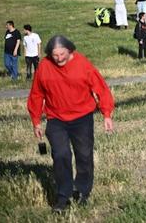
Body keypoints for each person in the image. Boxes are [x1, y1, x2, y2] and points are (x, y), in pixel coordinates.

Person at [27, 35, 115, 212]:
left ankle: (82, 190)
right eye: (55, 55)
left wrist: (107, 114)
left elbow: (101, 88)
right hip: (56, 119)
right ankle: (63, 196)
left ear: (70, 50)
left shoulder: (83, 64)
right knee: (61, 155)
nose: (59, 58)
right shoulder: (44, 66)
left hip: (82, 118)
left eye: (62, 54)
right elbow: (36, 94)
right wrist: (36, 121)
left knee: (84, 155)